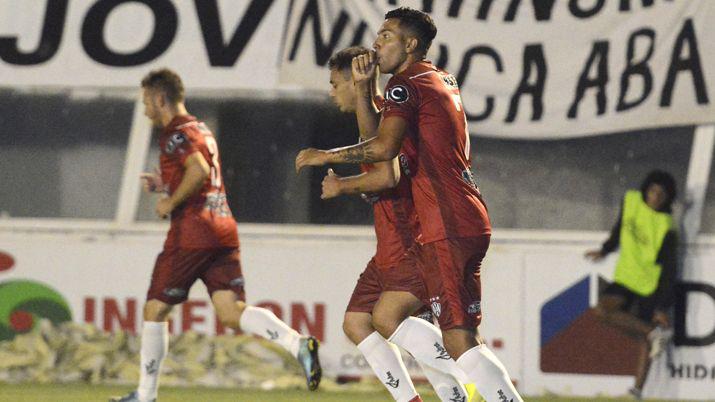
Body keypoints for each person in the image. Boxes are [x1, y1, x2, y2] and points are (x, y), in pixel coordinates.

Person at [296, 7, 523, 402]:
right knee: (432, 330)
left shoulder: (404, 85)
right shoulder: (440, 78)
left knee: (459, 343)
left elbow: (384, 154)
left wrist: (325, 155)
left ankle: (471, 390)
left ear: (410, 44)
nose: (376, 43)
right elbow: (386, 149)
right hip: (460, 214)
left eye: (386, 36)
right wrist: (368, 94)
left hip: (442, 221)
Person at [110, 69, 321, 402]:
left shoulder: (175, 133)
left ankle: (145, 396)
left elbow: (198, 171)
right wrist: (164, 184)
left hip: (192, 232)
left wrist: (169, 200)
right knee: (230, 311)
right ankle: (297, 344)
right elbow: (203, 178)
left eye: (146, 101)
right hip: (222, 227)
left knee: (154, 310)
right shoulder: (200, 128)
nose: (146, 109)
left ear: (160, 98)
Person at [325, 46, 470, 402]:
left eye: (334, 83)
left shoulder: (384, 115)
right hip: (389, 242)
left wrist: (342, 184)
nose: (331, 92)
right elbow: (392, 177)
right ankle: (437, 394)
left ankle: (466, 369)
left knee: (387, 319)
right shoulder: (374, 115)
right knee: (357, 322)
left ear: (351, 80)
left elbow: (387, 176)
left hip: (410, 239)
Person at [584, 170, 678, 400]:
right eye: (653, 191)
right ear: (646, 189)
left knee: (644, 341)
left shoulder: (667, 226)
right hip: (626, 277)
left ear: (668, 198)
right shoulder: (631, 201)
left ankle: (636, 391)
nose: (656, 197)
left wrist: (661, 307)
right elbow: (619, 229)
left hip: (649, 284)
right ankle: (653, 332)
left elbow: (669, 270)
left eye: (662, 195)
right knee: (602, 310)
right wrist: (605, 249)